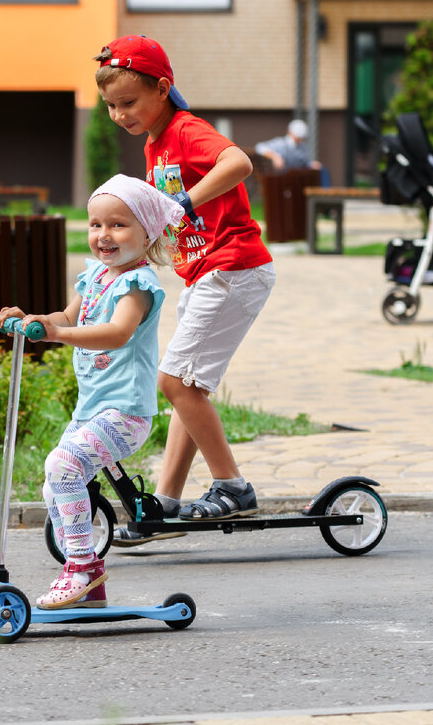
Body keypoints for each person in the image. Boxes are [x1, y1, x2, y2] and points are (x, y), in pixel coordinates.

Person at [93, 34, 276, 545]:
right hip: (206, 273)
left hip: (234, 267)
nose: (119, 114)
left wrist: (184, 205)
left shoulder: (185, 129)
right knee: (185, 387)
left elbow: (238, 163)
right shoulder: (155, 143)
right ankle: (165, 505)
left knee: (175, 382)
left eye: (128, 102)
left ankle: (232, 486)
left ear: (164, 88)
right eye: (110, 106)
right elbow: (160, 222)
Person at [0, 174, 183, 609]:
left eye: (118, 225)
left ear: (146, 232)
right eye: (96, 225)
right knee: (53, 484)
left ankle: (83, 566)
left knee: (62, 465)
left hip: (126, 413)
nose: (104, 235)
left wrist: (57, 335)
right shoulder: (96, 276)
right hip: (92, 410)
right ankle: (87, 586)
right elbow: (64, 314)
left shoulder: (137, 285)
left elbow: (118, 333)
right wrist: (33, 320)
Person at [254, 119, 323, 172]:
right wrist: (275, 157)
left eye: (300, 138)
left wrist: (312, 165)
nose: (298, 140)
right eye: (297, 137)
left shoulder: (302, 147)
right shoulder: (280, 144)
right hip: (279, 180)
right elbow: (260, 147)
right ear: (289, 132)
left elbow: (304, 163)